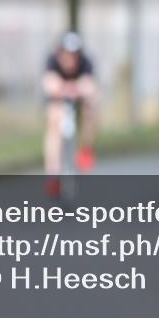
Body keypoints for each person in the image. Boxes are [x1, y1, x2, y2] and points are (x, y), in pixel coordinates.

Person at [42, 31, 99, 197]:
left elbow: (90, 85)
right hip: (58, 98)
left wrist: (81, 89)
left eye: (74, 55)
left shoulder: (86, 62)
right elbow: (49, 82)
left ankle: (86, 148)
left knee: (92, 109)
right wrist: (62, 88)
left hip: (79, 97)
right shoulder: (52, 61)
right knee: (54, 121)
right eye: (67, 55)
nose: (71, 59)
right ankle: (53, 174)